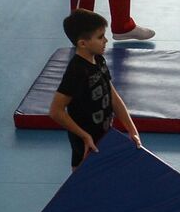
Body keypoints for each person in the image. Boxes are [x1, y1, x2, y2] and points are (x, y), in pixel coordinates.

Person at [48, 9, 141, 170]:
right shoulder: (76, 71)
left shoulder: (98, 59)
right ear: (83, 43)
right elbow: (56, 111)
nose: (106, 40)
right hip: (86, 141)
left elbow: (113, 96)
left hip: (105, 134)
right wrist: (84, 136)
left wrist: (132, 130)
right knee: (85, 178)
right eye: (100, 37)